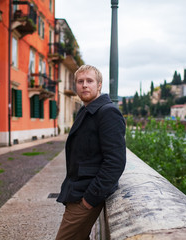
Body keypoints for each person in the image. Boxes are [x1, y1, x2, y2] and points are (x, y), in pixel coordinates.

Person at [55, 65, 126, 240]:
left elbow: (115, 162)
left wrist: (89, 200)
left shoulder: (108, 112)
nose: (84, 85)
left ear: (99, 85)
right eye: (80, 81)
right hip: (76, 190)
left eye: (89, 81)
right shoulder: (86, 110)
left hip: (86, 195)